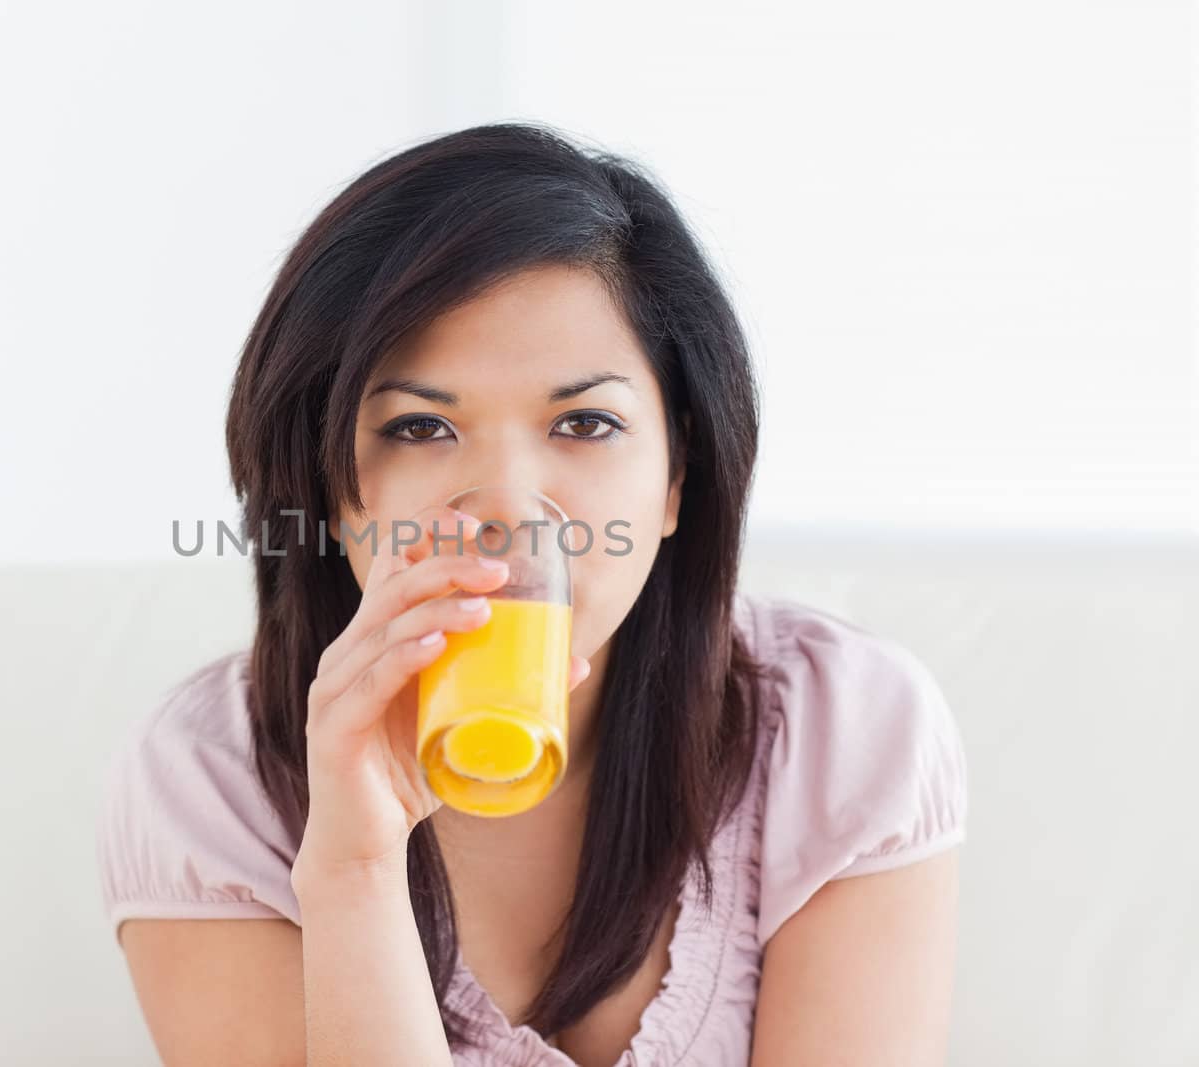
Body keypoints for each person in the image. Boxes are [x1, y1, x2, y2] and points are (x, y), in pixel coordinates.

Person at [96, 122, 968, 1066]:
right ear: (332, 496)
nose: (509, 505)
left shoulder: (843, 731)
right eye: (422, 427)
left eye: (585, 421)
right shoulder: (210, 778)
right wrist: (353, 872)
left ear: (677, 477)